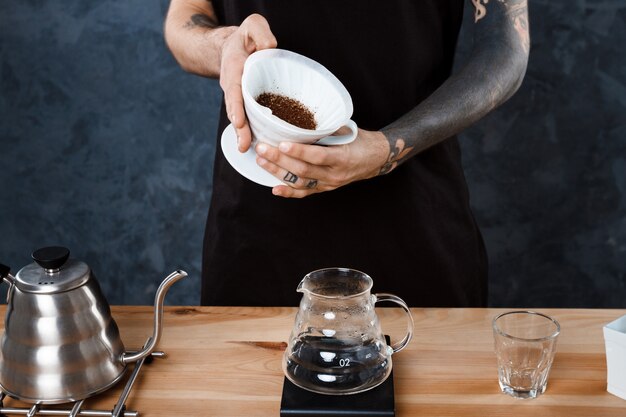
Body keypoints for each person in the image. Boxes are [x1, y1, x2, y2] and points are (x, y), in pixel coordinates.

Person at [164, 0, 529, 307]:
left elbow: (506, 47)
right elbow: (184, 19)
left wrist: (387, 147)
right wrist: (225, 43)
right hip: (256, 224)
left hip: (416, 225)